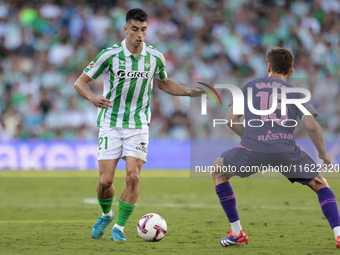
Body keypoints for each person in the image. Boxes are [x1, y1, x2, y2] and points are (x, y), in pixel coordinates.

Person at [74, 8, 202, 241]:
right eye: (135, 29)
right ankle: (106, 214)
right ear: (125, 29)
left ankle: (119, 228)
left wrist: (188, 92)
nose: (139, 34)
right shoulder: (109, 55)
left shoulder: (154, 57)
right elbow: (80, 82)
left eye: (143, 29)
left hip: (139, 124)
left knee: (133, 176)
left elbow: (163, 84)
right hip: (110, 123)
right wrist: (93, 98)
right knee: (105, 182)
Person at [211, 47, 340, 248]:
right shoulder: (296, 92)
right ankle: (339, 234)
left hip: (251, 150)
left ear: (268, 66)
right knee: (320, 184)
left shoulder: (248, 87)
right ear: (291, 71)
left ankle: (237, 232)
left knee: (218, 171)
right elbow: (312, 126)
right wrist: (323, 154)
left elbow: (230, 119)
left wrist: (253, 138)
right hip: (286, 151)